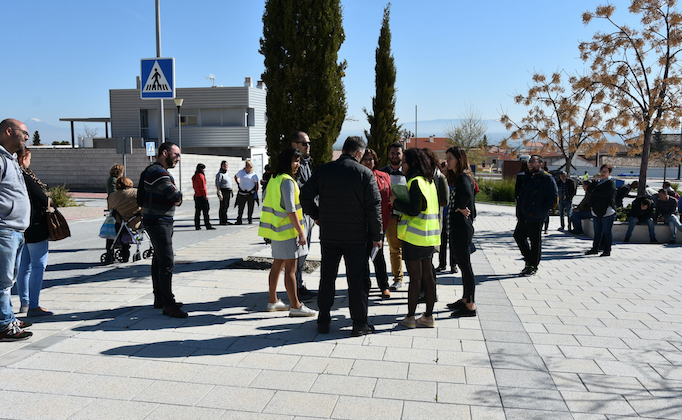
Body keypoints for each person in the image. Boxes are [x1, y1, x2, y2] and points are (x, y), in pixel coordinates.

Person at [301, 136, 382, 337]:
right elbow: (374, 207)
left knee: (327, 277)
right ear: (358, 153)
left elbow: (305, 195)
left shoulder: (324, 170)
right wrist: (377, 235)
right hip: (356, 237)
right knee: (357, 281)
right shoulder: (365, 174)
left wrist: (317, 216)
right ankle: (359, 324)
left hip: (329, 235)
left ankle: (323, 320)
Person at [258, 147, 316, 317]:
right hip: (288, 232)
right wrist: (301, 232)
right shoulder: (288, 181)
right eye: (295, 161)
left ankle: (273, 301)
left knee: (277, 265)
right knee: (290, 270)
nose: (297, 164)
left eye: (298, 161)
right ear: (286, 161)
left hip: (277, 231)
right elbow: (291, 209)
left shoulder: (274, 179)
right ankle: (295, 306)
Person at [391, 149, 439, 328]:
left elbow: (413, 210)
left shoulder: (415, 181)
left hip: (413, 236)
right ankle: (428, 316)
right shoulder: (429, 182)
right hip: (429, 236)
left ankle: (410, 317)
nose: (401, 165)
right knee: (428, 276)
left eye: (404, 162)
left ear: (412, 164)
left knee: (415, 278)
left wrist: (395, 201)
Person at [142, 142, 186, 318]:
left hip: (159, 220)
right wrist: (178, 195)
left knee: (159, 260)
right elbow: (174, 195)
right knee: (167, 261)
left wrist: (177, 197)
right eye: (176, 155)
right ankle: (168, 304)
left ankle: (160, 298)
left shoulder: (156, 171)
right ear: (165, 153)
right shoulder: (158, 172)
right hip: (158, 221)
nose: (178, 159)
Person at [0, 119, 32, 341]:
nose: (27, 137)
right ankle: (4, 325)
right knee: (2, 282)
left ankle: (8, 317)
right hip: (5, 230)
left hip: (16, 231)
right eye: (24, 133)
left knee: (8, 281)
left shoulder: (10, 159)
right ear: (9, 131)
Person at [15, 147, 53, 317]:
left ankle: (24, 303)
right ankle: (34, 305)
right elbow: (43, 199)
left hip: (21, 225)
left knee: (24, 266)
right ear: (23, 159)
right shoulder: (25, 176)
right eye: (29, 158)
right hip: (36, 225)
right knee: (38, 265)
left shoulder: (13, 175)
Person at [443, 147, 477, 318]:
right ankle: (465, 299)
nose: (447, 161)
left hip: (461, 230)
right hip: (459, 229)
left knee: (465, 267)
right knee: (464, 266)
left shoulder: (463, 177)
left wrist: (460, 206)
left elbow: (466, 195)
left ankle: (470, 305)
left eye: (450, 158)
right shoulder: (461, 176)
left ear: (459, 159)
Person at [513, 155, 558, 276]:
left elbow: (553, 199)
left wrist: (540, 210)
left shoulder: (547, 179)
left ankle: (533, 265)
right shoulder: (527, 177)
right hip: (524, 215)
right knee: (518, 236)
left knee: (535, 242)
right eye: (529, 162)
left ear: (540, 164)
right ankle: (529, 260)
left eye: (533, 162)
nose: (530, 164)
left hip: (536, 216)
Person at [290, 131, 318, 302]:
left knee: (304, 252)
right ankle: (296, 288)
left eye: (308, 143)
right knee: (298, 253)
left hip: (307, 214)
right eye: (304, 143)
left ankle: (299, 285)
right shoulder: (294, 165)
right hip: (299, 215)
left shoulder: (306, 163)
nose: (308, 146)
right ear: (295, 145)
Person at [361, 148, 391, 299]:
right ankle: (365, 285)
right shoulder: (357, 176)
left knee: (378, 255)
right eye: (365, 159)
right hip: (361, 223)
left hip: (380, 223)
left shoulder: (384, 176)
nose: (368, 162)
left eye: (371, 159)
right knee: (363, 256)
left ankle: (384, 286)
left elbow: (389, 197)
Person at [380, 142, 407, 290]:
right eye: (392, 153)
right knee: (394, 249)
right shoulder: (382, 173)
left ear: (402, 155)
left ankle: (415, 278)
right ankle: (398, 278)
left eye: (398, 153)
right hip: (390, 216)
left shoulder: (409, 172)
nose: (395, 156)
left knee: (408, 249)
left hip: (407, 216)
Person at [585, 164, 617, 257]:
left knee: (607, 232)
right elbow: (589, 190)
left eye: (605, 172)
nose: (603, 173)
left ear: (609, 173)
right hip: (596, 210)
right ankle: (595, 248)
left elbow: (604, 194)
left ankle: (607, 250)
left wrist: (594, 192)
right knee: (597, 232)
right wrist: (594, 182)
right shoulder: (598, 182)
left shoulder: (610, 183)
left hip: (607, 211)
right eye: (602, 171)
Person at [234, 159, 259, 225]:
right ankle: (239, 219)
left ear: (251, 166)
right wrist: (238, 184)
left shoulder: (253, 174)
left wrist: (256, 192)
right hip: (242, 193)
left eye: (248, 165)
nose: (247, 166)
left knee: (250, 207)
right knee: (240, 207)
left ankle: (249, 219)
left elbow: (256, 184)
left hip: (250, 193)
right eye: (246, 165)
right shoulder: (241, 172)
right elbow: (235, 177)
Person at [192, 164, 215, 230]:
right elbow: (203, 186)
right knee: (206, 211)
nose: (204, 170)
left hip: (196, 195)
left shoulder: (194, 176)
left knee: (197, 211)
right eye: (203, 169)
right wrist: (206, 194)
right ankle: (207, 225)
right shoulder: (201, 176)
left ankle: (197, 225)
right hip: (202, 195)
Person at [215, 160, 233, 225]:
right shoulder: (220, 174)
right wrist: (219, 192)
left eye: (226, 165)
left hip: (228, 191)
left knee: (226, 206)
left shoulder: (227, 173)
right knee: (223, 206)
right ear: (221, 166)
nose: (226, 166)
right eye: (224, 165)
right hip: (223, 191)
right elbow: (218, 183)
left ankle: (225, 219)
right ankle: (222, 220)